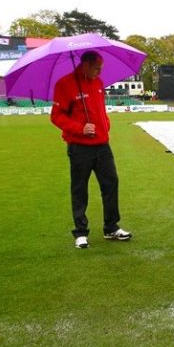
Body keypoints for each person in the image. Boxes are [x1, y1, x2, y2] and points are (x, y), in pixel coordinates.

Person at [51, 50, 132, 249]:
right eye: (97, 68)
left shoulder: (98, 83)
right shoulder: (65, 84)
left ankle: (111, 227)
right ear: (85, 65)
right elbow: (56, 116)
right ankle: (80, 232)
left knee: (111, 183)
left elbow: (101, 111)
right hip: (80, 147)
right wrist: (80, 128)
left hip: (102, 145)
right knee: (80, 189)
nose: (100, 72)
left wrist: (106, 125)